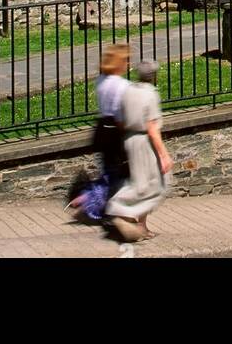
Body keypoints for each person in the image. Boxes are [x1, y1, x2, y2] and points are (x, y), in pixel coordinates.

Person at [104, 60, 173, 241]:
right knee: (153, 183)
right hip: (144, 142)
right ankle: (119, 208)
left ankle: (141, 226)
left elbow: (120, 119)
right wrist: (164, 155)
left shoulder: (129, 90)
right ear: (154, 76)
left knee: (141, 181)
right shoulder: (150, 94)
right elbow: (152, 127)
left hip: (129, 138)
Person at [67, 42, 131, 223]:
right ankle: (87, 201)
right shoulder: (121, 85)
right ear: (119, 62)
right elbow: (120, 113)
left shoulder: (101, 80)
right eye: (125, 60)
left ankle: (95, 202)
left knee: (109, 170)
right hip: (115, 130)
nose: (127, 64)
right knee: (117, 174)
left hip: (102, 128)